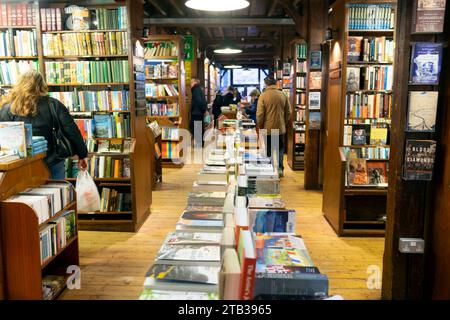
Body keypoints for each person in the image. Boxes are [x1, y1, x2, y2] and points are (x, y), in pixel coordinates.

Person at [0, 70, 88, 179]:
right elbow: (72, 131)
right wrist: (82, 155)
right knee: (56, 193)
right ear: (41, 85)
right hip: (51, 161)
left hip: (19, 164)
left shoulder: (8, 107)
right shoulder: (54, 104)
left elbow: (3, 137)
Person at [257, 77, 291, 177]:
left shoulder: (263, 96)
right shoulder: (283, 94)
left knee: (269, 148)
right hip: (280, 127)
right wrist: (283, 122)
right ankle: (280, 168)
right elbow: (288, 112)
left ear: (266, 84)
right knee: (279, 148)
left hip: (267, 127)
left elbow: (260, 114)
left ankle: (270, 168)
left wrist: (260, 125)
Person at [189, 78, 207, 147]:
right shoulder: (198, 89)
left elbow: (199, 101)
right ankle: (199, 144)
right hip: (198, 113)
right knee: (198, 128)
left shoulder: (196, 90)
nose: (190, 84)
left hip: (196, 113)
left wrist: (202, 110)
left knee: (196, 128)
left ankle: (198, 144)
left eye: (191, 83)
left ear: (194, 82)